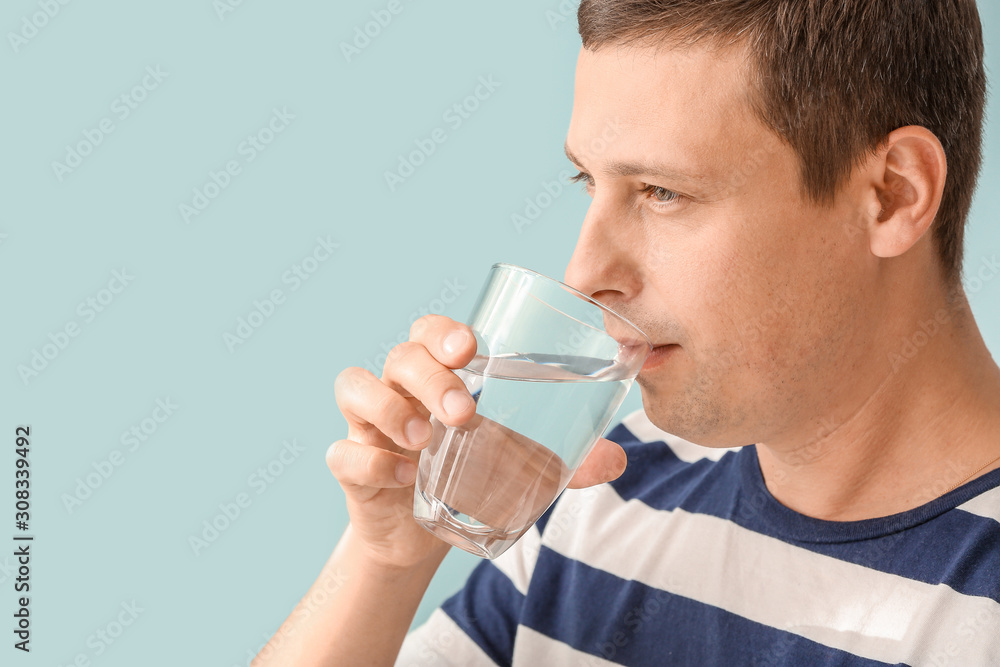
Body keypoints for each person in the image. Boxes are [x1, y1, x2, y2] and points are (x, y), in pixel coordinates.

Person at [253, 1, 1000, 664]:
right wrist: (384, 562)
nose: (582, 275)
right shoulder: (606, 491)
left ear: (892, 194)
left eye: (663, 192)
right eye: (590, 181)